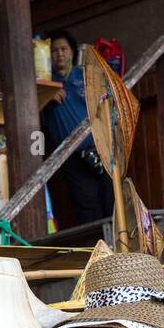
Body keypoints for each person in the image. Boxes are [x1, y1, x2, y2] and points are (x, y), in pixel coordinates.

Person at [40, 30, 114, 226]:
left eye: (63, 49)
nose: (60, 54)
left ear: (72, 52)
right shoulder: (45, 82)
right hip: (71, 155)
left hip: (102, 149)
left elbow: (108, 105)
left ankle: (117, 253)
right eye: (54, 51)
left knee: (111, 203)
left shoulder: (86, 76)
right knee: (87, 208)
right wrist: (45, 94)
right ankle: (96, 252)